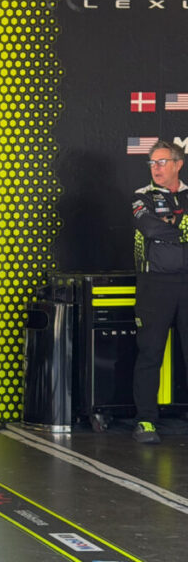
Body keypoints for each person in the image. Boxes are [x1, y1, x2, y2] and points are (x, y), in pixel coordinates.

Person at [129, 140, 188, 444]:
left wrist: (170, 226)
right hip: (154, 284)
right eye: (152, 163)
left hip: (186, 284)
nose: (156, 168)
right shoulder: (142, 196)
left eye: (162, 162)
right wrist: (180, 227)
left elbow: (164, 229)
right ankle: (146, 421)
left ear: (178, 164)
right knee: (150, 353)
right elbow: (150, 228)